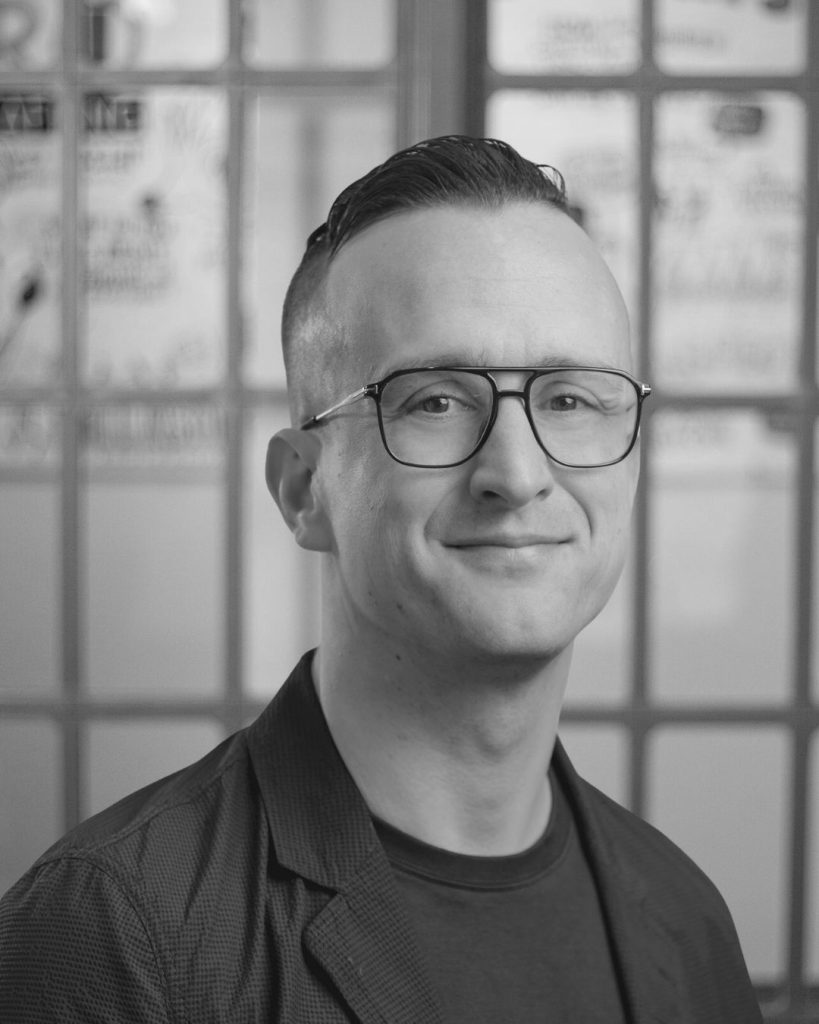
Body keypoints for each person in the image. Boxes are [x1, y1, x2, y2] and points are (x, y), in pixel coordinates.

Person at [0, 136, 760, 1023]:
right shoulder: (112, 931)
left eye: (568, 399)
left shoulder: (685, 919)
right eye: (434, 400)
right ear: (302, 489)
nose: (517, 474)